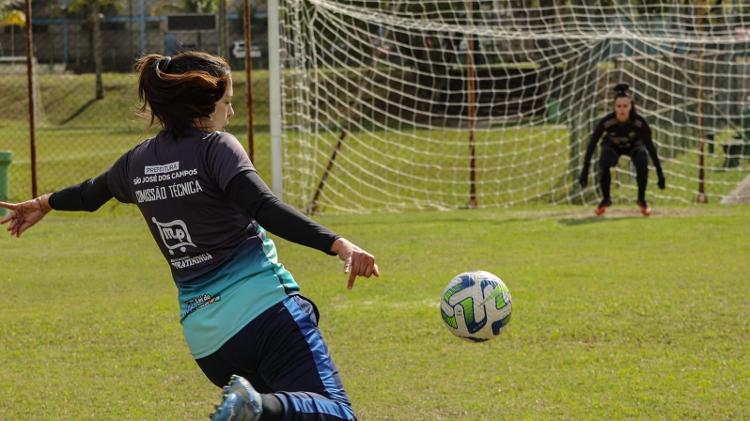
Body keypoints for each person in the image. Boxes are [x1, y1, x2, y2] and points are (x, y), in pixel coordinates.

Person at [0, 51, 379, 421]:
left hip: (210, 345)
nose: (230, 113)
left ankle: (255, 408)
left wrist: (45, 202)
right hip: (266, 316)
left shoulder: (138, 162)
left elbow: (89, 194)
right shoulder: (216, 147)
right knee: (335, 412)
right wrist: (338, 243)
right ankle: (258, 408)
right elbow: (262, 206)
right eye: (227, 102)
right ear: (203, 102)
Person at [579, 83, 666, 216]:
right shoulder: (606, 122)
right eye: (619, 106)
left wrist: (660, 173)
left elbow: (650, 147)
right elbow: (592, 144)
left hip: (634, 145)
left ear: (631, 106)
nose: (622, 110)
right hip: (612, 146)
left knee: (642, 157)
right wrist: (585, 171)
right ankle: (606, 199)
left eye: (625, 106)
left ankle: (641, 200)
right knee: (605, 158)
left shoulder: (639, 122)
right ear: (614, 107)